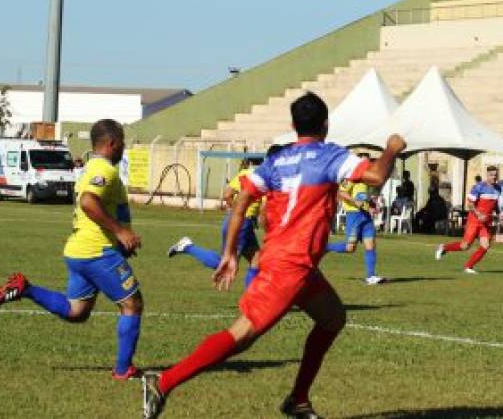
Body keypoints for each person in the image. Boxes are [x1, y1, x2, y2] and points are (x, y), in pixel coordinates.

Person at [141, 92, 406, 418]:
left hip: (297, 264)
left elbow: (241, 201)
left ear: (293, 126)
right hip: (289, 266)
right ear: (325, 124)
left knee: (333, 318)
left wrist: (230, 252)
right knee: (242, 335)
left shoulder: (275, 161)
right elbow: (377, 176)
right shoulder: (329, 156)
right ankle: (163, 381)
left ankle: (298, 399)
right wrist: (392, 147)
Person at [0, 119, 144, 380]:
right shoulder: (105, 170)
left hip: (80, 251)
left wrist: (120, 237)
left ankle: (25, 288)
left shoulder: (90, 169)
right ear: (112, 144)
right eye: (122, 144)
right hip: (98, 252)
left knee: (76, 312)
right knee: (132, 305)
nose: (123, 149)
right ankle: (123, 370)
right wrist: (120, 231)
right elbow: (87, 202)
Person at [167, 152, 275, 289]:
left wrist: (236, 210)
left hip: (237, 220)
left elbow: (227, 194)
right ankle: (188, 247)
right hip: (242, 224)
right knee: (225, 262)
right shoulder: (263, 176)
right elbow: (264, 207)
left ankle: (254, 296)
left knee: (257, 260)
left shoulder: (243, 174)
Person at [325, 153, 385, 285]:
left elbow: (366, 198)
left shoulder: (367, 180)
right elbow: (340, 193)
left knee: (371, 244)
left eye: (367, 162)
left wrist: (373, 206)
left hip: (366, 216)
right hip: (354, 215)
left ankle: (371, 276)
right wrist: (355, 202)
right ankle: (325, 247)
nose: (366, 165)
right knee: (350, 248)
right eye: (363, 162)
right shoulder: (351, 178)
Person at [435, 165, 501, 274]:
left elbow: (495, 204)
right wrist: (478, 214)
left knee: (486, 245)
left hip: (486, 222)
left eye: (495, 175)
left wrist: (499, 213)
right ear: (487, 175)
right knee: (465, 246)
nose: (494, 177)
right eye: (491, 175)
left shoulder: (498, 188)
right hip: (474, 220)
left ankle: (469, 267)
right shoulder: (479, 187)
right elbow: (470, 204)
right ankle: (444, 248)